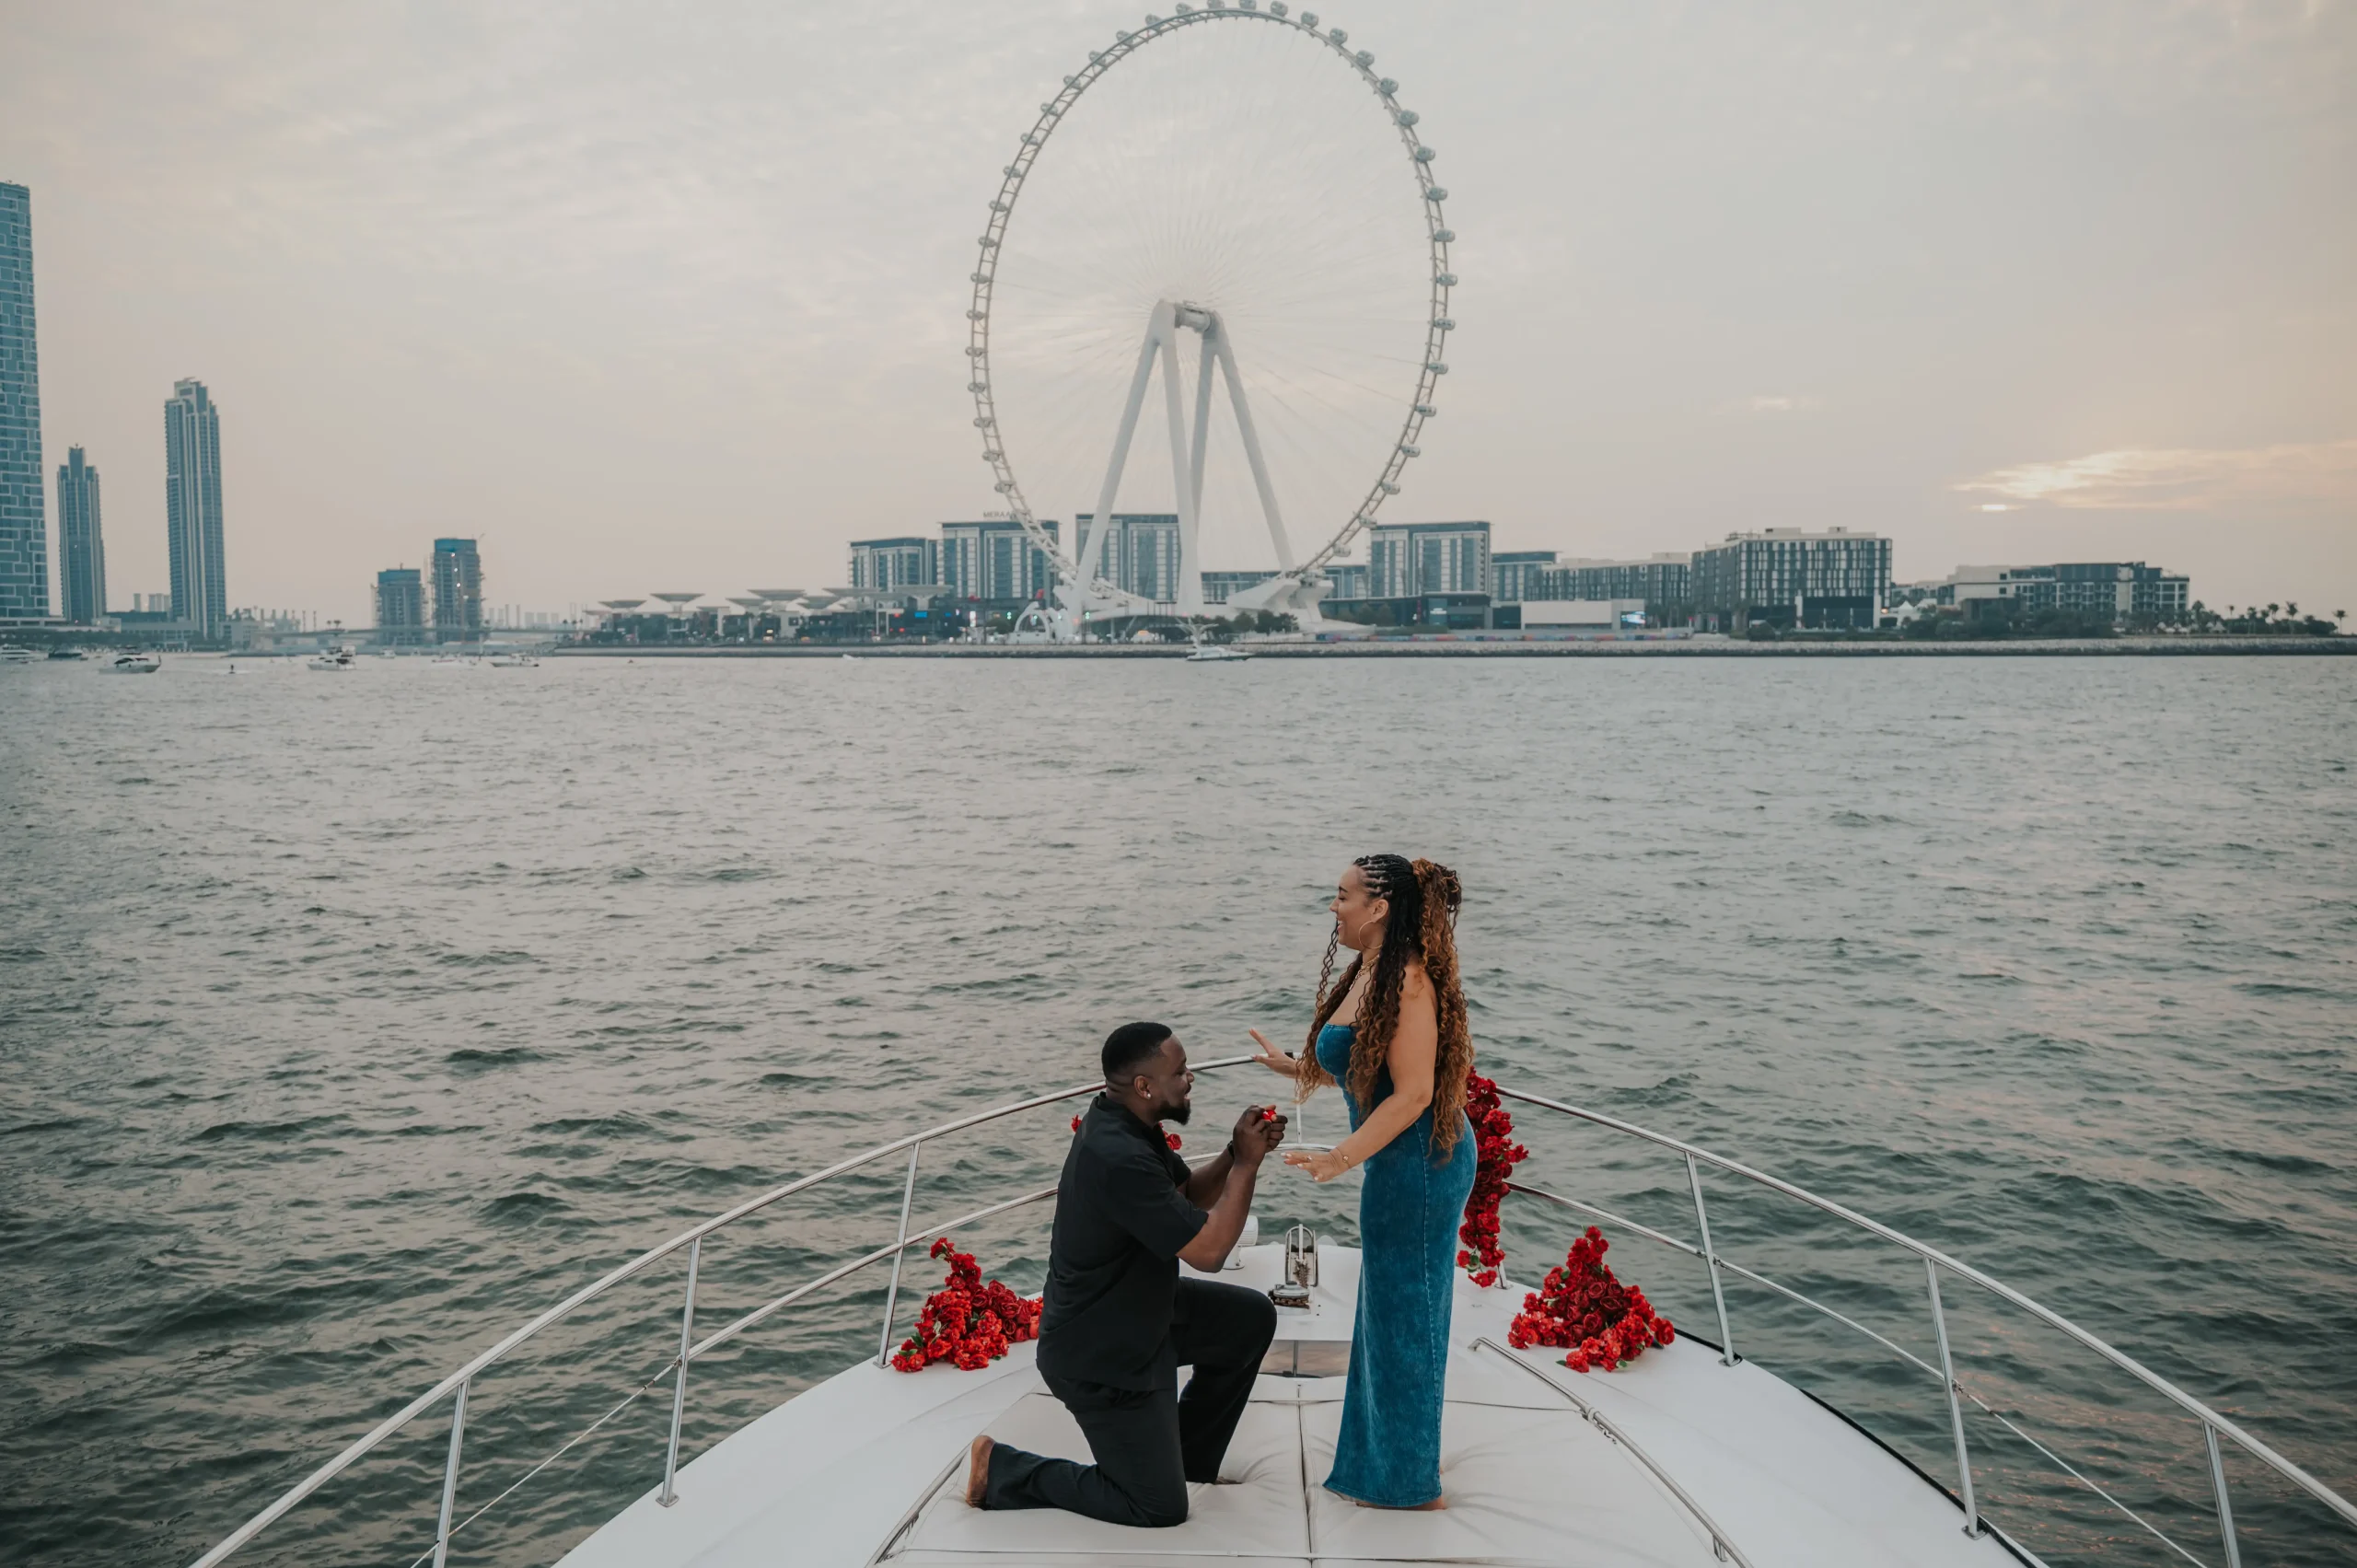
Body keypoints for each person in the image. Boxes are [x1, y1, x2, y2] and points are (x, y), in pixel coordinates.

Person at [968, 1021, 1286, 1527]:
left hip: (1145, 1312)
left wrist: (1234, 1152)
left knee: (1249, 1320)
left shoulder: (1127, 1121)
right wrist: (1246, 1167)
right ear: (1144, 1085)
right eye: (1180, 1072)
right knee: (1158, 1509)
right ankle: (1003, 1469)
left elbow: (1187, 1195)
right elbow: (1208, 1252)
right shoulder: (1116, 1155)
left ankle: (1187, 1459)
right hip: (1101, 1353)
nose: (1190, 1078)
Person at [1249, 854, 1476, 1511]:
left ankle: (1411, 1486)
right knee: (1387, 1316)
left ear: (1378, 907)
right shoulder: (1370, 968)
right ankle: (1383, 1468)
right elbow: (1365, 1062)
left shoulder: (1408, 979)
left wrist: (1339, 1158)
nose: (1333, 906)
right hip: (1396, 1165)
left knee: (1407, 1321)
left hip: (1421, 1169)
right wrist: (1295, 1066)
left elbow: (1414, 1093)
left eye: (1342, 895)